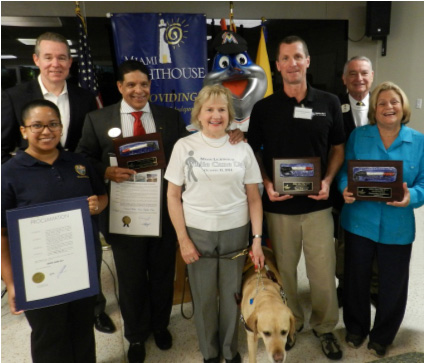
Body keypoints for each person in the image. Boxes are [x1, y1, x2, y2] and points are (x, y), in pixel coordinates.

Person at [76, 60, 243, 362]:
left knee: (163, 274)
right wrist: (105, 172)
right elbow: (83, 160)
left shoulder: (169, 117)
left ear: (151, 86)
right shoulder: (97, 119)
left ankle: (161, 325)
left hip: (164, 212)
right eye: (131, 85)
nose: (138, 90)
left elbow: (197, 147)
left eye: (144, 84)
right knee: (131, 277)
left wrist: (233, 135)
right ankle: (136, 335)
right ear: (119, 87)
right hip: (123, 214)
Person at [1, 32, 115, 334]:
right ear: (36, 60)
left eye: (62, 57)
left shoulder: (85, 97)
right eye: (48, 57)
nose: (55, 63)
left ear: (70, 62)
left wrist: (98, 180)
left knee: (88, 252)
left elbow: (90, 147)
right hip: (34, 194)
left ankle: (95, 309)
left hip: (75, 189)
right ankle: (46, 311)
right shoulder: (14, 96)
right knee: (45, 260)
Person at [247, 35, 345, 360]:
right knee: (286, 274)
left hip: (318, 206)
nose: (292, 64)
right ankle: (292, 324)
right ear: (277, 66)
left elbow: (338, 148)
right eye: (285, 58)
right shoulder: (263, 109)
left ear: (307, 61)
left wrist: (329, 180)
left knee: (321, 273)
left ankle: (326, 328)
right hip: (280, 208)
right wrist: (266, 183)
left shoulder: (329, 102)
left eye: (298, 57)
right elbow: (254, 151)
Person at [1, 99, 108, 363]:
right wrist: (11, 282)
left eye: (53, 124)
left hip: (82, 267)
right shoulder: (8, 173)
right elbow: (2, 234)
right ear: (24, 130)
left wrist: (97, 206)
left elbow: (102, 197)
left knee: (82, 330)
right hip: (37, 275)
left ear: (61, 127)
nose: (46, 131)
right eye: (37, 125)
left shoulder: (78, 162)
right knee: (49, 336)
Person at [165, 84, 265, 363]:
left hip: (236, 230)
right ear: (198, 113)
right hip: (198, 232)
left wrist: (257, 239)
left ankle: (229, 350)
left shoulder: (241, 148)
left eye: (222, 109)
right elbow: (173, 196)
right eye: (209, 109)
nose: (216, 115)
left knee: (234, 294)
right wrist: (183, 240)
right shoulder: (184, 146)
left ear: (229, 114)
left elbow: (254, 198)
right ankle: (210, 353)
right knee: (204, 296)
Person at [338, 81, 424, 357]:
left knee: (393, 284)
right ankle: (355, 327)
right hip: (359, 222)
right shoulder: (358, 137)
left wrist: (412, 195)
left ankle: (383, 335)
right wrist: (344, 188)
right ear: (374, 110)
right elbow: (344, 172)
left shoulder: (419, 142)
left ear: (403, 108)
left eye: (394, 102)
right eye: (383, 103)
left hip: (397, 226)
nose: (389, 107)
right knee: (355, 279)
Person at [333, 56, 378, 307]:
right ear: (344, 78)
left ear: (372, 76)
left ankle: (373, 286)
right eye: (352, 73)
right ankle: (344, 284)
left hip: (378, 188)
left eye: (363, 73)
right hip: (345, 190)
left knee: (376, 238)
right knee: (344, 242)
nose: (358, 78)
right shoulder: (333, 106)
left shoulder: (383, 106)